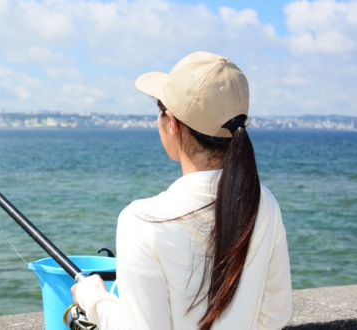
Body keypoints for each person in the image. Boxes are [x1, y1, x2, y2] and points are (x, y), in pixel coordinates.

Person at [71, 52, 292, 330]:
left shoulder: (142, 222)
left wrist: (93, 299)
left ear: (173, 123)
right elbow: (276, 316)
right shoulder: (264, 203)